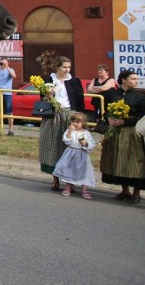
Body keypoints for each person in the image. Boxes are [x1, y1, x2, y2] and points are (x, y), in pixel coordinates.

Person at [38, 56, 85, 191]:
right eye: (64, 67)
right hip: (53, 116)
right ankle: (55, 179)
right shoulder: (49, 80)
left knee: (70, 147)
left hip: (69, 115)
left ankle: (69, 181)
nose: (67, 70)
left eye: (69, 67)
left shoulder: (74, 81)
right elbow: (42, 99)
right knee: (53, 146)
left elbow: (79, 99)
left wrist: (80, 117)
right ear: (57, 67)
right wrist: (48, 95)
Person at [99, 71, 144, 204]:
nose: (137, 81)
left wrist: (125, 121)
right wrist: (109, 118)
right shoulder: (112, 94)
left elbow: (142, 117)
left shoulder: (140, 97)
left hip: (132, 133)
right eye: (133, 79)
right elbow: (105, 111)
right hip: (115, 132)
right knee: (117, 161)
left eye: (137, 79)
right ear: (124, 80)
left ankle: (136, 193)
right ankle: (125, 190)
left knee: (135, 162)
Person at [52, 112, 96, 199]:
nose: (75, 124)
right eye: (73, 121)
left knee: (85, 171)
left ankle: (84, 189)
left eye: (77, 122)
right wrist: (70, 131)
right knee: (68, 169)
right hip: (71, 153)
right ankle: (67, 187)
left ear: (82, 123)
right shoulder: (70, 131)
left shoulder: (86, 133)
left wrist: (85, 143)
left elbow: (91, 143)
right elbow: (66, 140)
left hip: (82, 154)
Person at [0, 59, 17, 136]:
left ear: (7, 63)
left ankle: (10, 130)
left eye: (4, 63)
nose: (2, 64)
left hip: (7, 94)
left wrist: (7, 67)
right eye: (1, 63)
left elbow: (14, 76)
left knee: (9, 112)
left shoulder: (10, 69)